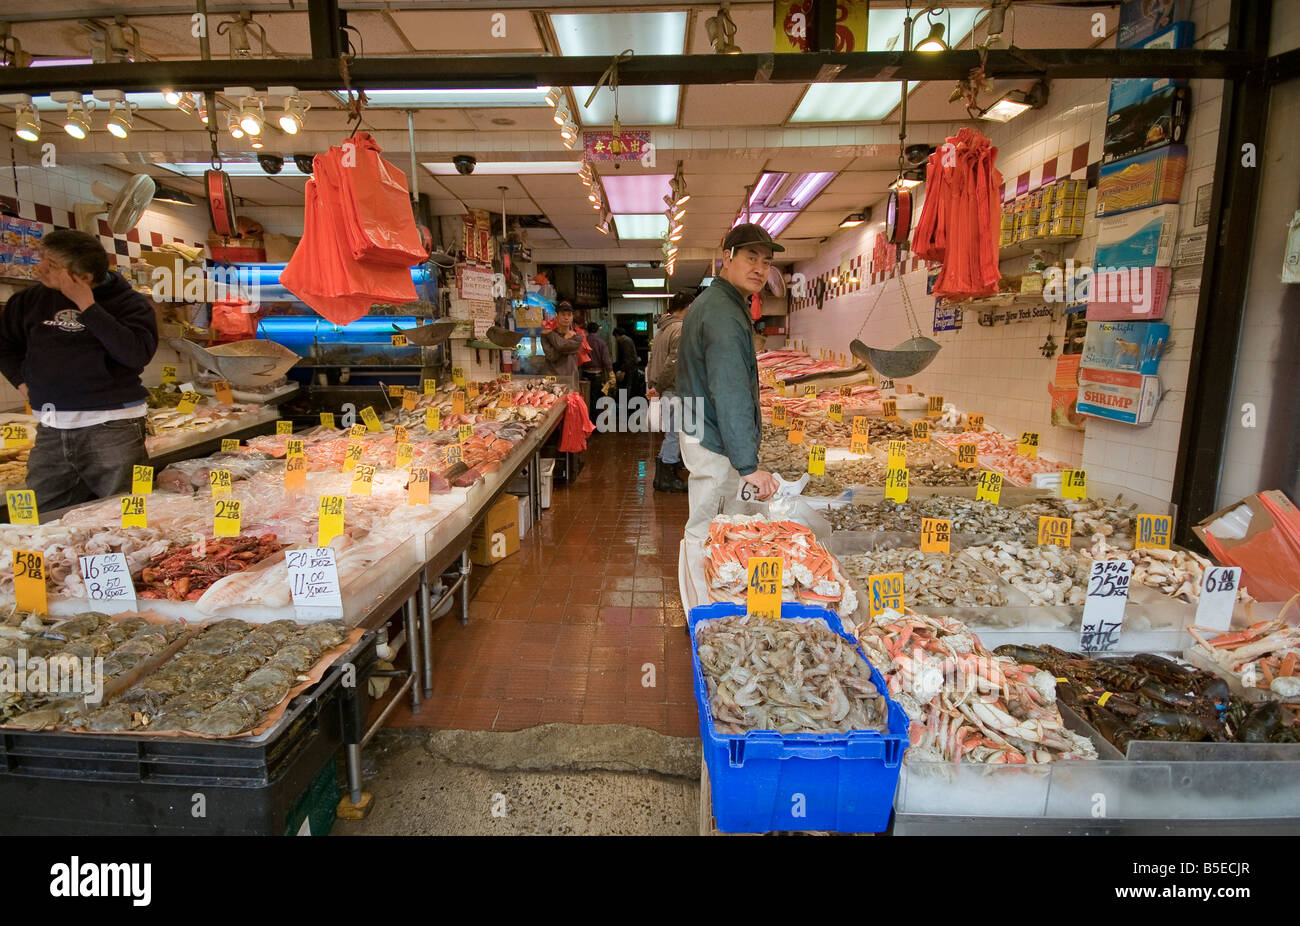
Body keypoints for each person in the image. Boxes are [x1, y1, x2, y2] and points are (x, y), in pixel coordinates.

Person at [0, 229, 158, 511]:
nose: (41, 268)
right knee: (38, 512)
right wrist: (21, 382)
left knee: (127, 509)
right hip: (51, 426)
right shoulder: (27, 302)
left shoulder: (130, 304)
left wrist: (87, 305)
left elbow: (135, 355)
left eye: (53, 265)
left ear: (83, 278)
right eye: (43, 258)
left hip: (114, 425)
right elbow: (5, 347)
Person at [675, 223, 783, 540]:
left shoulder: (719, 302)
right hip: (713, 438)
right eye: (752, 258)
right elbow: (729, 389)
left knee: (709, 527)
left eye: (766, 262)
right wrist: (747, 466)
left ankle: (701, 585)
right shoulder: (723, 312)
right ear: (728, 257)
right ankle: (700, 588)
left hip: (702, 429)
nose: (760, 268)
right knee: (711, 531)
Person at [646, 291, 690, 493]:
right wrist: (660, 386)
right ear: (688, 307)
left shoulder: (663, 329)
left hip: (665, 389)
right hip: (672, 389)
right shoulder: (680, 329)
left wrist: (655, 386)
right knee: (674, 433)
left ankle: (662, 475)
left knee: (671, 432)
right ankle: (667, 477)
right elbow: (673, 363)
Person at [539, 302, 584, 379]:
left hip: (571, 378)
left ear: (572, 317)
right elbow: (552, 356)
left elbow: (561, 346)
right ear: (557, 316)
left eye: (569, 315)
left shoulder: (577, 337)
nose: (566, 318)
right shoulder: (546, 336)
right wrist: (565, 339)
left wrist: (562, 339)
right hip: (552, 378)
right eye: (563, 314)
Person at [580, 321, 612, 423]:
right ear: (597, 330)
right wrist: (611, 373)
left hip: (584, 375)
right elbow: (606, 360)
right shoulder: (601, 342)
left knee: (585, 399)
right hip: (597, 376)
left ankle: (587, 422)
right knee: (598, 399)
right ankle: (597, 424)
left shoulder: (582, 341)